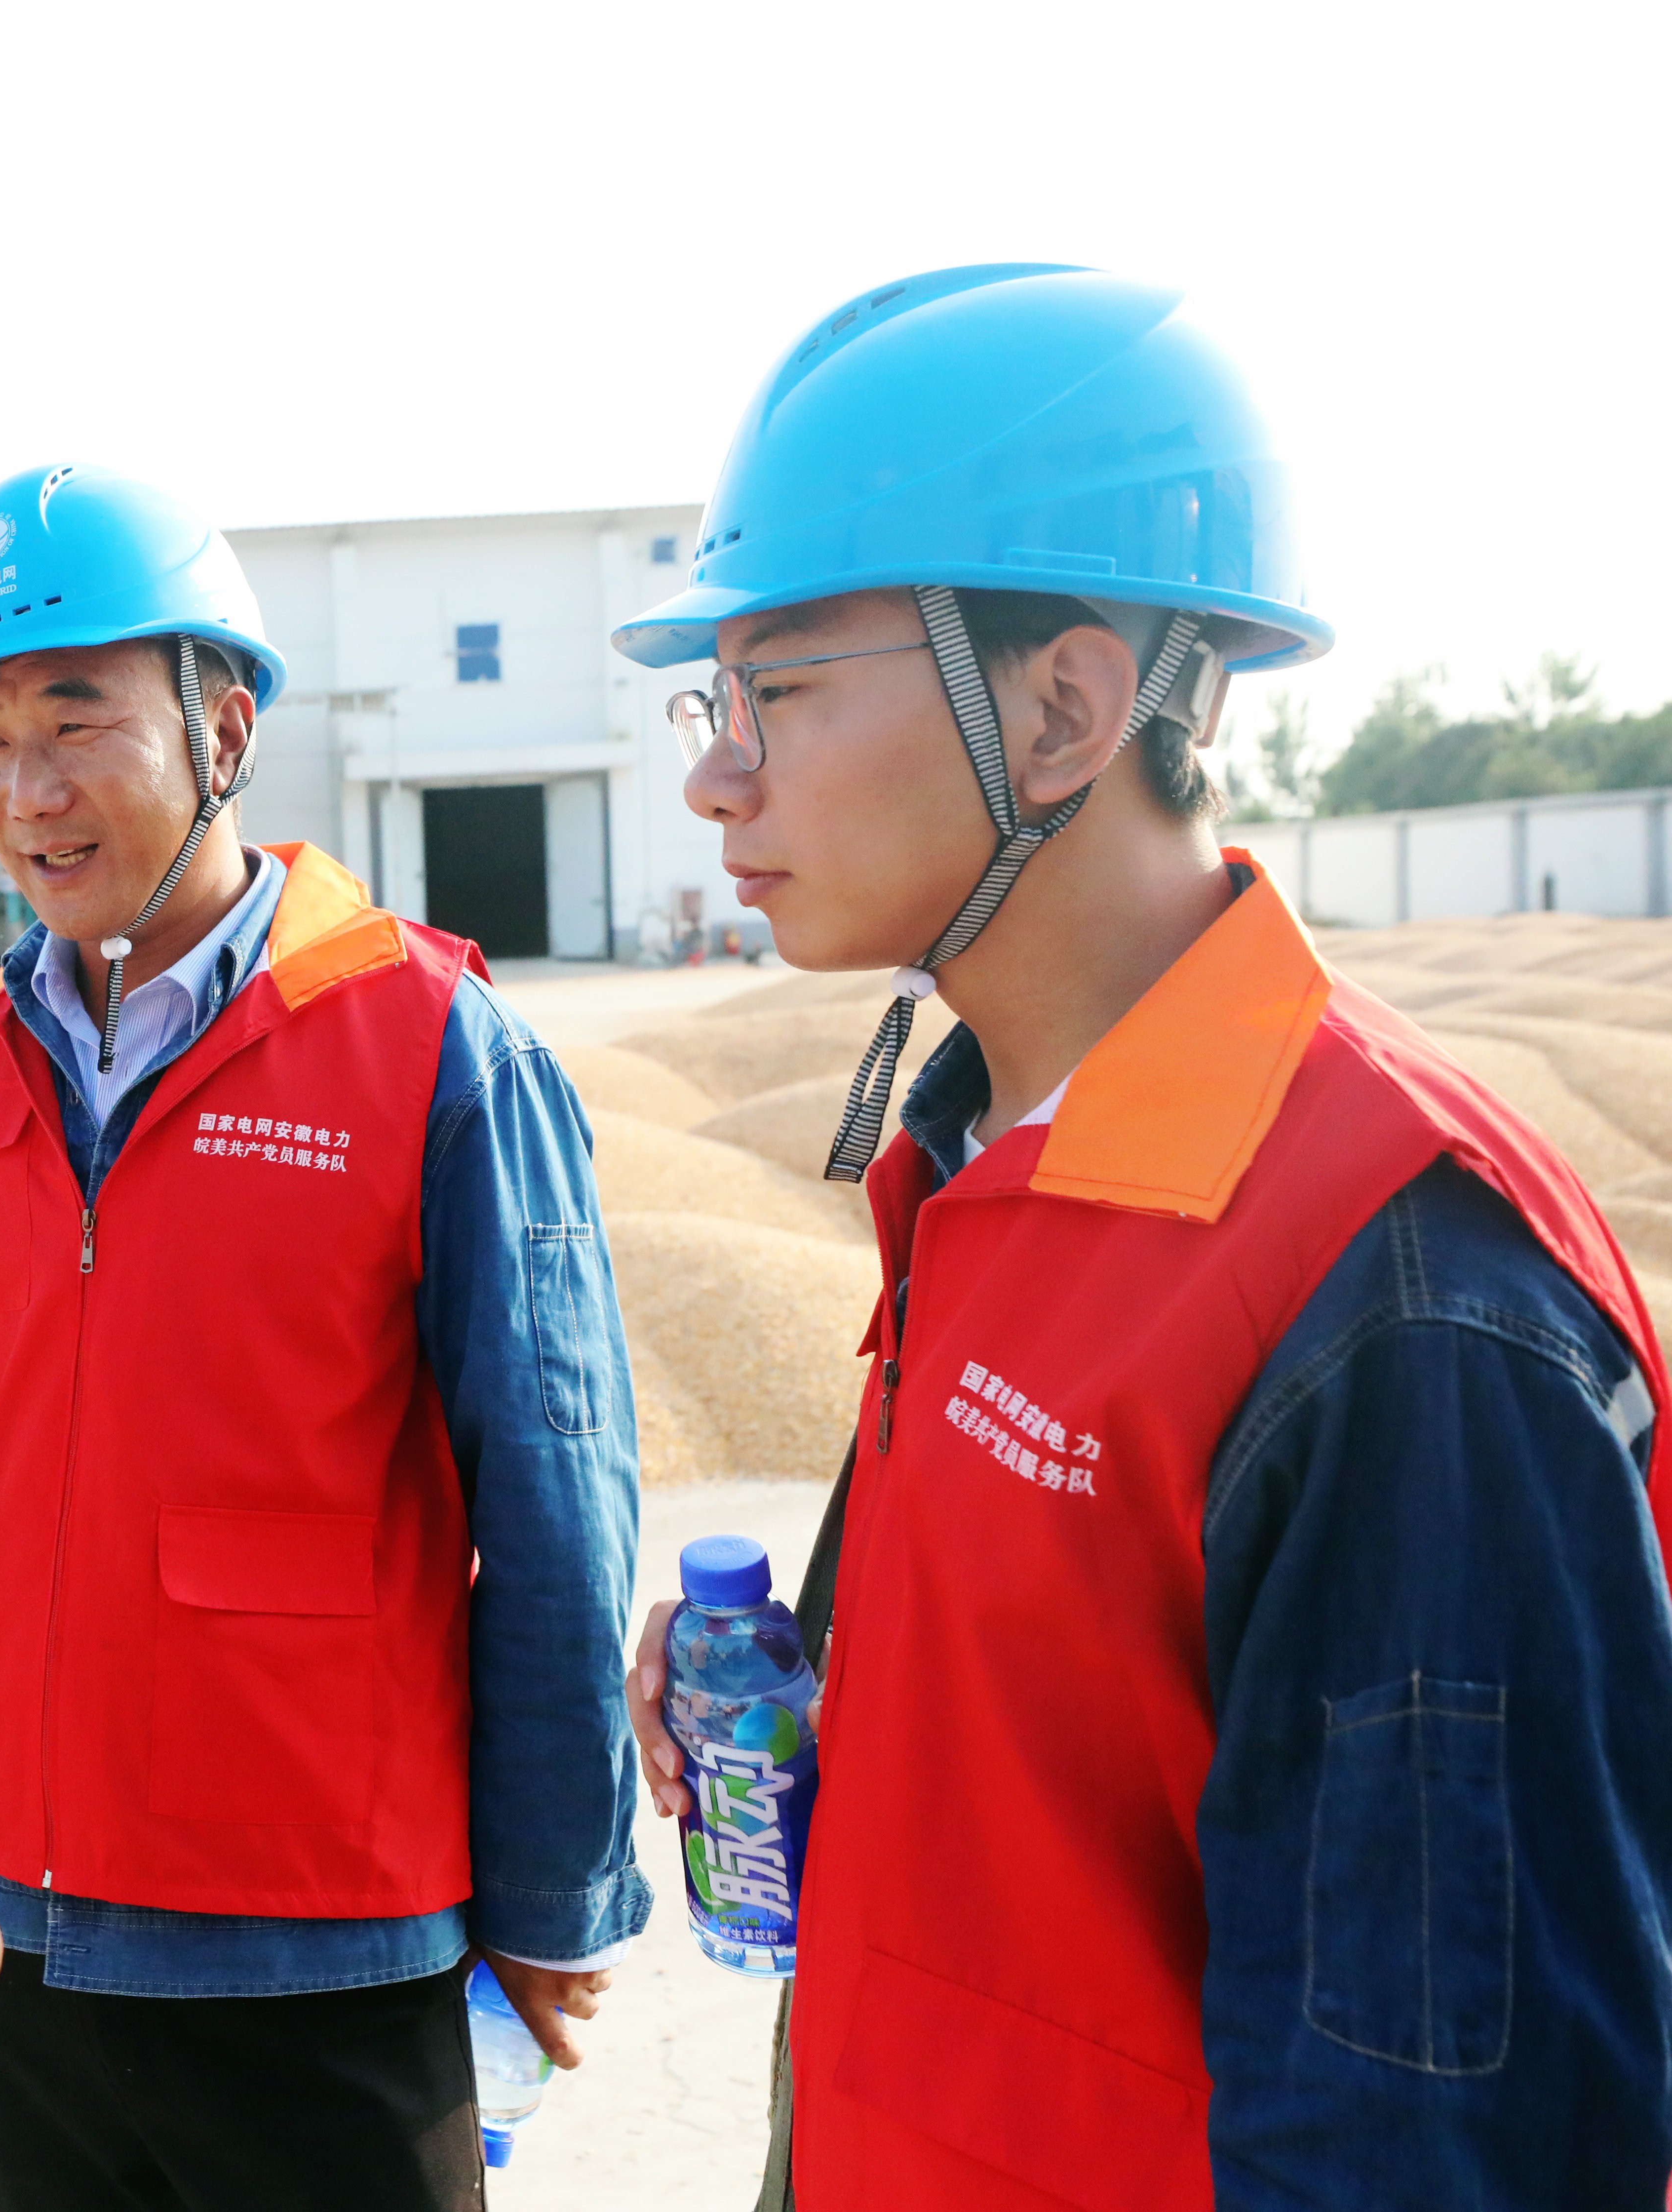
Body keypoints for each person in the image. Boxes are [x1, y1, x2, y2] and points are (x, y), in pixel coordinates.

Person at [611, 265, 1672, 2209]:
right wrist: (842, 1714)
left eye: (781, 688)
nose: (714, 769)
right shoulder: (989, 1166)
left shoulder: (1401, 1299)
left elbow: (1437, 2139)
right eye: (714, 698)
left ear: (1063, 711)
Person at [0, 464, 649, 2210]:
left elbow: (556, 1497)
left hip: (321, 1940)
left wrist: (551, 1890)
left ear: (225, 729)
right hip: (15, 1932)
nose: (26, 792)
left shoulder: (430, 1047)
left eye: (78, 721)